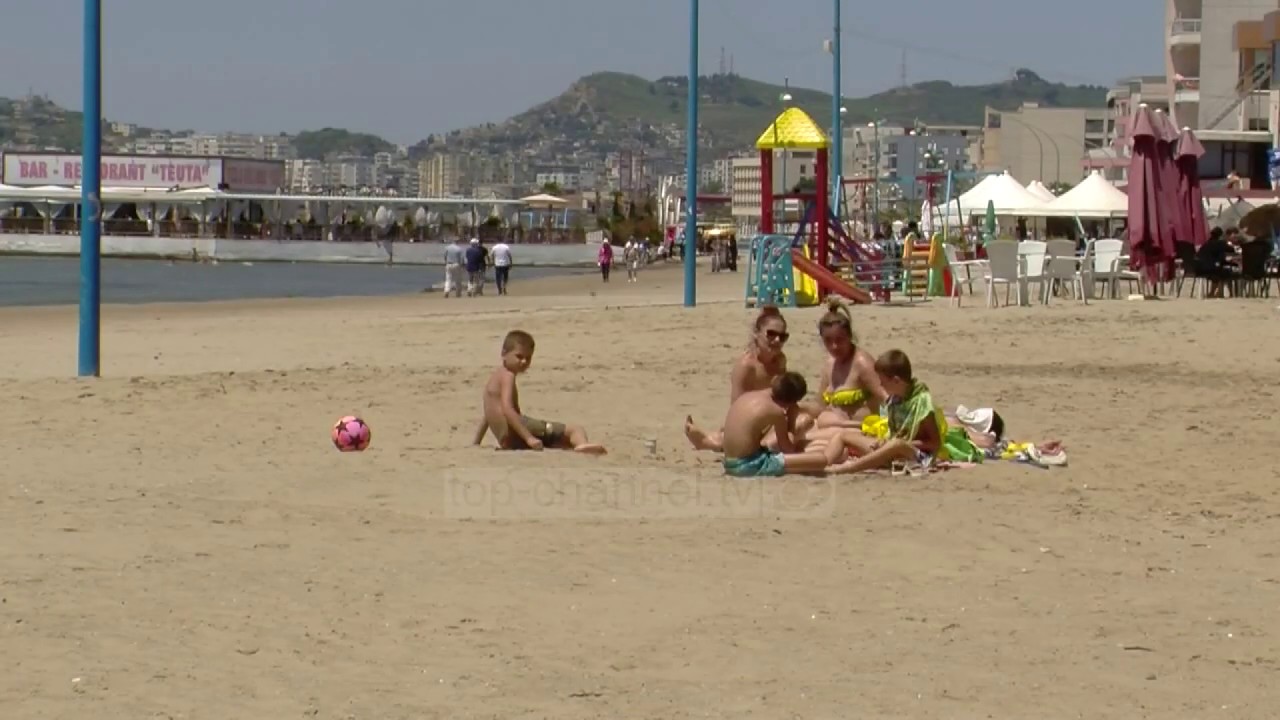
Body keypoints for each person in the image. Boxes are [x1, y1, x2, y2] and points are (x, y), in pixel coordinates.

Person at [833, 349, 983, 474]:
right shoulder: (895, 400)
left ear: (896, 381)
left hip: (918, 456)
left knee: (896, 445)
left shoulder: (922, 402)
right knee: (844, 436)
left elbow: (934, 443)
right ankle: (824, 462)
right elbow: (894, 433)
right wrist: (883, 442)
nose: (881, 385)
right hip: (894, 449)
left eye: (883, 381)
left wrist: (904, 443)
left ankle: (847, 469)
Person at [473, 330, 607, 454]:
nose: (524, 361)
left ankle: (574, 445)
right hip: (516, 431)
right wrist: (529, 438)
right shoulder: (508, 376)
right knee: (574, 430)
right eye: (519, 356)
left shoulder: (495, 377)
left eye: (528, 358)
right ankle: (582, 444)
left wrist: (477, 441)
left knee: (558, 440)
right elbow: (508, 409)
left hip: (507, 438)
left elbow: (488, 413)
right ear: (504, 353)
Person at [684, 305, 793, 452]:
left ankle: (714, 439)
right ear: (757, 333)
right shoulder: (746, 366)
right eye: (771, 334)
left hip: (772, 416)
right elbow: (737, 408)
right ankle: (712, 441)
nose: (777, 340)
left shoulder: (780, 360)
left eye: (783, 336)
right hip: (752, 418)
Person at [720, 372, 852, 477]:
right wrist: (793, 424)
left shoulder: (749, 396)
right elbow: (787, 448)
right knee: (820, 460)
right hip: (748, 465)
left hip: (729, 462)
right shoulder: (775, 412)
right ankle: (842, 466)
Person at [810, 298, 888, 427]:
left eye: (840, 340)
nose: (834, 346)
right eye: (828, 340)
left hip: (860, 429)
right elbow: (820, 405)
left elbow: (886, 396)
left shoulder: (862, 363)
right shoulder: (830, 364)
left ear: (850, 336)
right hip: (833, 427)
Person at [1194, 227, 1233, 298]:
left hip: (1200, 269)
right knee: (1227, 272)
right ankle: (1228, 293)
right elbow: (1231, 250)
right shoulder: (1221, 243)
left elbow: (1198, 255)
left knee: (1218, 270)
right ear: (1220, 235)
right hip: (1212, 269)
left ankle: (1215, 293)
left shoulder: (1205, 244)